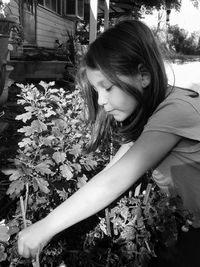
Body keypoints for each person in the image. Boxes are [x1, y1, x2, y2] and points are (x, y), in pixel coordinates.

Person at [17, 20, 200, 265]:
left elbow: (115, 180)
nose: (101, 100)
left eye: (108, 88)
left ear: (143, 75)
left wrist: (45, 227)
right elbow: (110, 171)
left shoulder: (175, 111)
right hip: (187, 221)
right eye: (96, 90)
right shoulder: (154, 112)